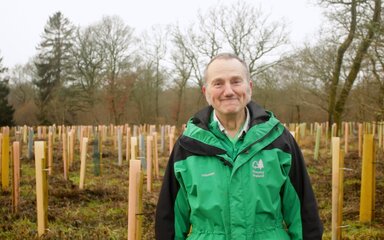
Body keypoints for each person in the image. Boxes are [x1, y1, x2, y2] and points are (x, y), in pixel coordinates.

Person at [155, 53, 323, 240]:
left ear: (249, 87)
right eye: (218, 83)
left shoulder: (279, 141)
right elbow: (169, 221)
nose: (228, 91)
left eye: (236, 81)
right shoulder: (187, 146)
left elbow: (304, 215)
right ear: (206, 92)